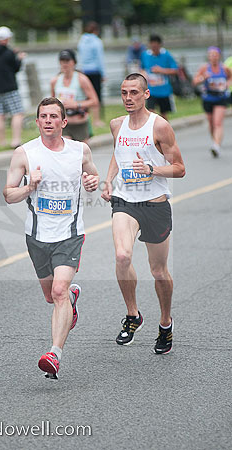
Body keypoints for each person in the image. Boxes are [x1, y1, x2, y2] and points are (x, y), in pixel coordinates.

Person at [3, 97, 99, 379]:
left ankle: (54, 354)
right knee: (51, 295)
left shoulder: (79, 150)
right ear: (37, 122)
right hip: (36, 235)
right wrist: (29, 186)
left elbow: (92, 178)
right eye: (43, 116)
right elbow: (8, 195)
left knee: (57, 292)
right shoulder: (24, 153)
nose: (48, 120)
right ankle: (72, 297)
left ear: (64, 122)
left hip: (69, 234)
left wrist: (91, 182)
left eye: (53, 116)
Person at [101, 73, 185, 354]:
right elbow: (118, 153)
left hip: (155, 203)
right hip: (125, 201)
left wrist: (152, 170)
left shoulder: (159, 127)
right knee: (122, 256)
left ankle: (165, 323)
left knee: (158, 271)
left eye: (134, 93)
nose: (128, 98)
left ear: (146, 94)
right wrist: (109, 179)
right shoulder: (116, 125)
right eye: (124, 93)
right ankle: (133, 314)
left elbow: (179, 168)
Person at [51, 49, 99, 143]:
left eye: (67, 61)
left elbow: (94, 101)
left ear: (74, 62)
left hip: (80, 124)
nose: (65, 64)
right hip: (63, 124)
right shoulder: (55, 81)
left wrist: (77, 104)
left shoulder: (82, 79)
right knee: (65, 153)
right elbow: (52, 102)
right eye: (62, 61)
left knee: (81, 155)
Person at [0, 26, 26, 148]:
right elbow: (16, 68)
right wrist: (20, 59)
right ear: (7, 38)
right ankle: (15, 140)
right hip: (10, 87)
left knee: (0, 116)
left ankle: (2, 142)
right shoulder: (9, 53)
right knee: (18, 113)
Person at [193, 46, 232, 157]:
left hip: (221, 98)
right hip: (208, 98)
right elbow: (194, 81)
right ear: (208, 57)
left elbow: (230, 77)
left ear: (219, 56)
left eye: (215, 55)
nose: (213, 57)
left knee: (217, 122)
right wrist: (203, 78)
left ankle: (216, 146)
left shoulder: (224, 68)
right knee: (211, 124)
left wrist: (227, 84)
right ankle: (215, 140)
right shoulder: (204, 68)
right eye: (211, 55)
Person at [140, 34, 178, 120]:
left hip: (164, 90)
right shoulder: (145, 55)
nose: (154, 48)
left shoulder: (166, 55)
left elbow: (175, 70)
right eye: (152, 46)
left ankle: (165, 131)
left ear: (160, 45)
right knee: (150, 113)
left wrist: (161, 70)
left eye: (156, 46)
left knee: (164, 115)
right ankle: (153, 132)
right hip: (151, 91)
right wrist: (143, 75)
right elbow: (142, 68)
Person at [77, 21, 105, 127]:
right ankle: (96, 120)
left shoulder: (81, 41)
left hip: (84, 71)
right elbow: (100, 58)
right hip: (95, 70)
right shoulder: (97, 41)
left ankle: (86, 118)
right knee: (96, 96)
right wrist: (103, 73)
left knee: (86, 96)